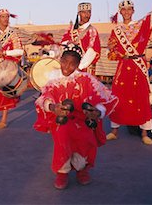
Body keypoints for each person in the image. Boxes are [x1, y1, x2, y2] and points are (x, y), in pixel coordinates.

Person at [34, 43, 118, 190]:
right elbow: (43, 98)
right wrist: (53, 107)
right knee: (63, 137)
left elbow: (103, 97)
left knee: (85, 139)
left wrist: (97, 111)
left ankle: (81, 169)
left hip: (82, 120)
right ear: (60, 60)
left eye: (72, 64)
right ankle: (62, 172)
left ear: (78, 64)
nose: (67, 67)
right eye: (65, 62)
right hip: (62, 119)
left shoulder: (86, 79)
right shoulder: (53, 80)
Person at [106, 0, 152, 145]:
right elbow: (111, 53)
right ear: (120, 12)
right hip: (123, 67)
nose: (126, 12)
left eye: (129, 9)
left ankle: (145, 132)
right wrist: (115, 51)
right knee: (118, 96)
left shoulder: (141, 25)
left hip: (138, 66)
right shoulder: (116, 30)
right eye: (123, 10)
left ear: (133, 11)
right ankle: (114, 130)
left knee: (141, 96)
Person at [61, 2, 101, 73]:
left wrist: (80, 66)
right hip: (71, 66)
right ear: (79, 13)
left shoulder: (92, 30)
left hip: (85, 67)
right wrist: (68, 42)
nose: (87, 15)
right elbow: (63, 42)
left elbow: (92, 51)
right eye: (84, 12)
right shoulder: (72, 29)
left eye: (89, 12)